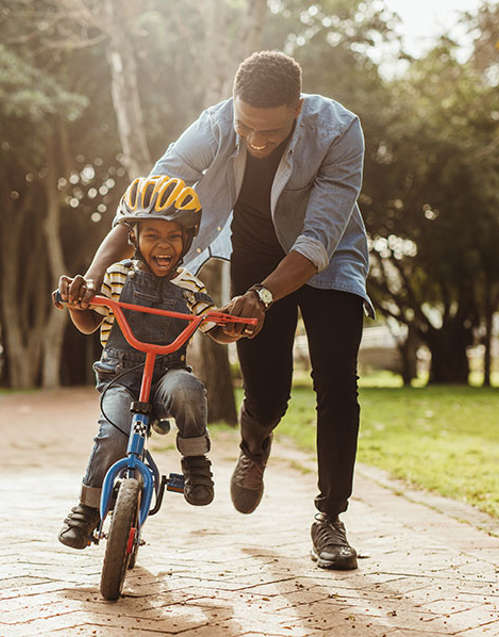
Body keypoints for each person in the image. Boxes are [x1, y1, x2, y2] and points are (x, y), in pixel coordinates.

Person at [70, 51, 373, 570]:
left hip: (328, 258)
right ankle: (255, 444)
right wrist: (95, 274)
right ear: (234, 106)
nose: (255, 141)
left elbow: (317, 239)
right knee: (268, 393)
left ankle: (330, 518)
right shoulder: (214, 125)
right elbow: (146, 202)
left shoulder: (339, 131)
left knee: (337, 382)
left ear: (297, 108)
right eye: (246, 127)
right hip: (256, 254)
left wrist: (264, 297)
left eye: (270, 132)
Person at [56, 175, 243, 550]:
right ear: (133, 237)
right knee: (113, 435)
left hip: (166, 377)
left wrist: (232, 328)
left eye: (174, 236)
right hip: (121, 377)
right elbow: (89, 322)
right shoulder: (115, 276)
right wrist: (77, 304)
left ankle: (195, 463)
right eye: (152, 234)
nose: (163, 244)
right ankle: (87, 510)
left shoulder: (190, 286)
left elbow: (213, 326)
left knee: (188, 390)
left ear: (187, 239)